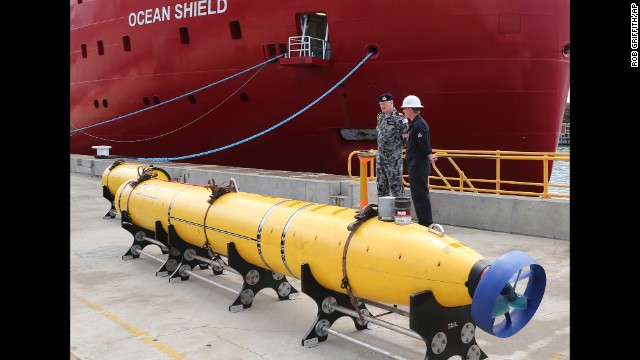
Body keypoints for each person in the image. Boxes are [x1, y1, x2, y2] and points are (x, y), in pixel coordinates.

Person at [401, 95, 438, 227]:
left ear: (410, 109)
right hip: (414, 164)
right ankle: (423, 221)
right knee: (417, 195)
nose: (403, 111)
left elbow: (423, 144)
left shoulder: (419, 125)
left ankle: (426, 223)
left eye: (405, 108)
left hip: (418, 166)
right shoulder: (414, 124)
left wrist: (429, 155)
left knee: (420, 195)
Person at [375, 92, 409, 198]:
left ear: (392, 103)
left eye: (385, 103)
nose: (382, 106)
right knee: (381, 186)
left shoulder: (400, 118)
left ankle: (400, 212)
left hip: (393, 159)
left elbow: (406, 138)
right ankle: (384, 211)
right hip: (381, 158)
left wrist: (394, 149)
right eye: (381, 104)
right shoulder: (380, 117)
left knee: (396, 186)